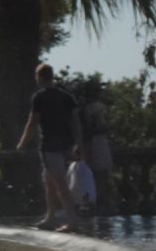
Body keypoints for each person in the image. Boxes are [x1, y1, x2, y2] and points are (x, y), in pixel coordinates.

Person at [15, 63, 83, 232]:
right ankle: (50, 217)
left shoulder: (40, 97)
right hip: (66, 143)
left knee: (60, 183)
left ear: (39, 77)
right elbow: (75, 122)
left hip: (50, 145)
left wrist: (22, 143)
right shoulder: (67, 97)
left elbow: (33, 122)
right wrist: (79, 143)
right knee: (49, 182)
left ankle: (72, 220)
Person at [78, 80, 116, 216]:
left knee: (95, 177)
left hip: (90, 144)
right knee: (101, 176)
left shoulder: (85, 108)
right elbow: (98, 127)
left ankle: (96, 204)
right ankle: (101, 205)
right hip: (98, 143)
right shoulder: (95, 107)